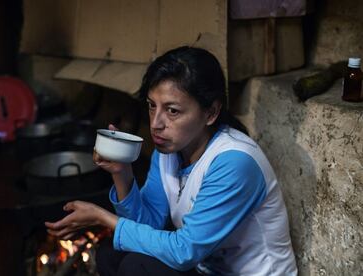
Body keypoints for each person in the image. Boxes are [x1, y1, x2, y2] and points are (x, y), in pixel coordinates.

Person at [45, 46, 298, 275]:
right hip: (206, 269)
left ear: (211, 112)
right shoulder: (168, 151)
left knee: (138, 267)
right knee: (112, 254)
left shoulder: (234, 162)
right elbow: (149, 223)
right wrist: (121, 173)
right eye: (152, 105)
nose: (156, 124)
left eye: (172, 111)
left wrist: (102, 218)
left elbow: (184, 251)